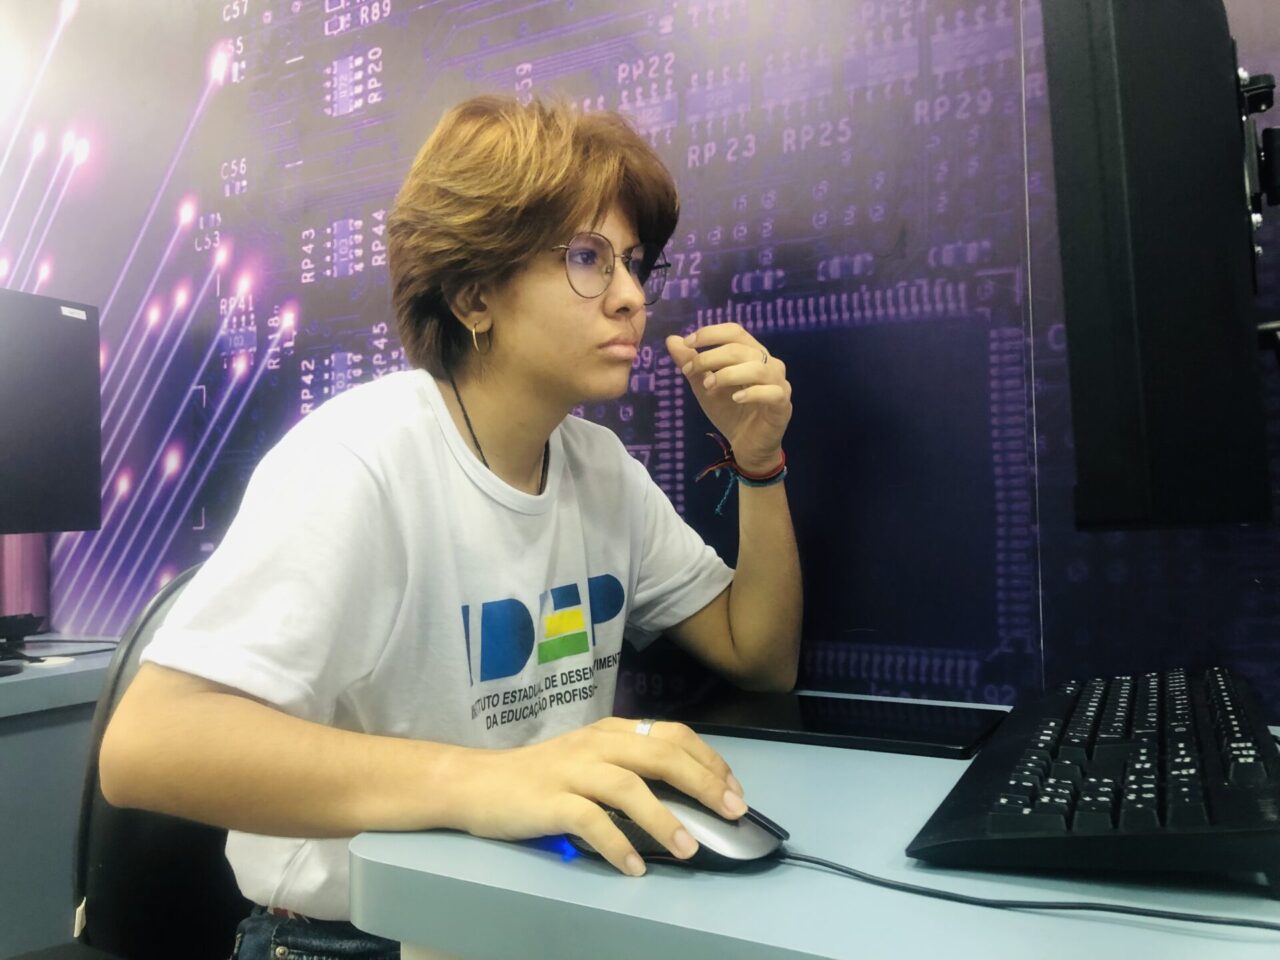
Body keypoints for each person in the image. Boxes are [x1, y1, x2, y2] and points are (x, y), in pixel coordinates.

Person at [99, 95, 802, 958]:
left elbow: (759, 655)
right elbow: (146, 747)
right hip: (350, 937)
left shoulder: (599, 468)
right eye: (588, 258)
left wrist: (758, 461)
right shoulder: (357, 460)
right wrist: (492, 782)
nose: (631, 298)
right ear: (475, 296)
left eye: (632, 263)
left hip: (529, 915)